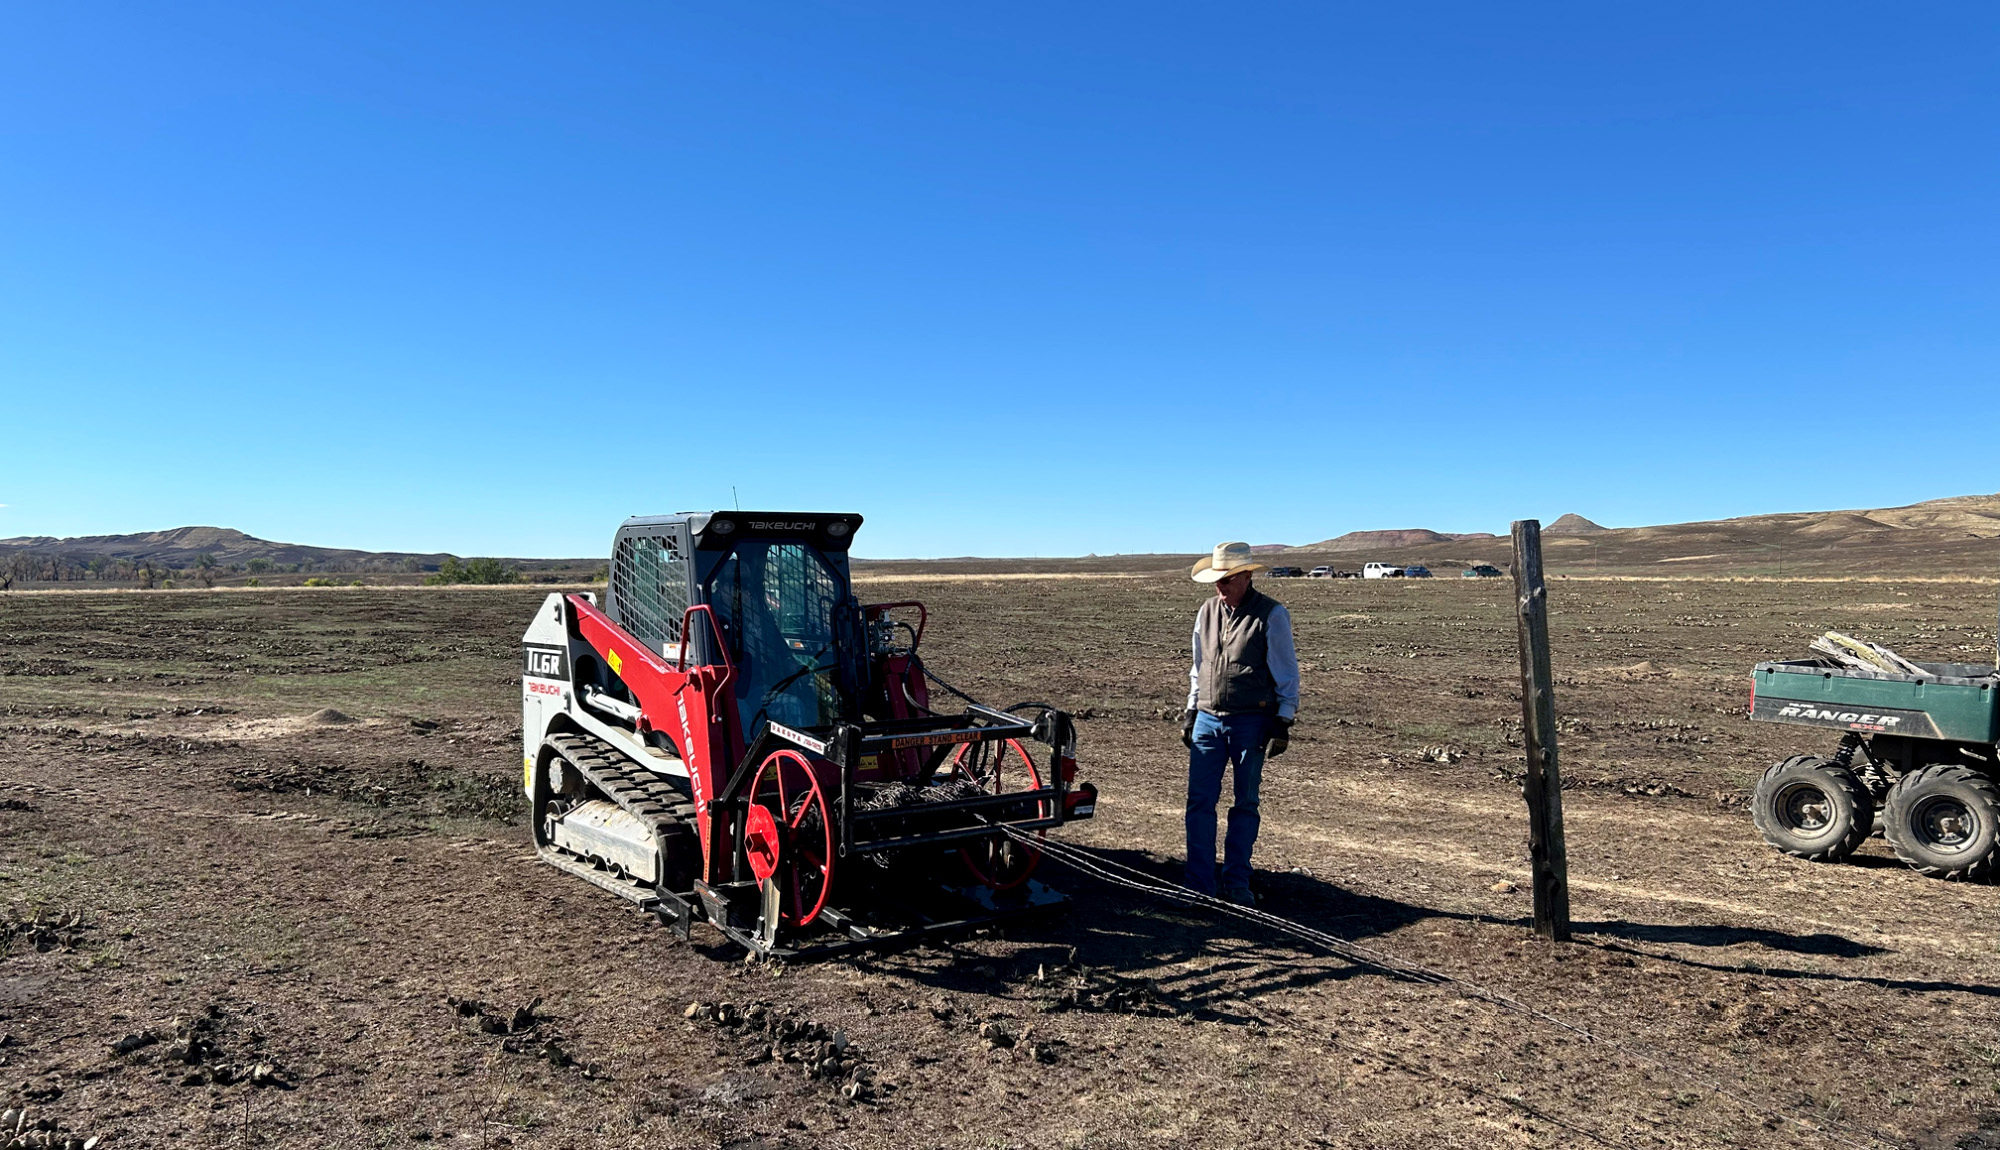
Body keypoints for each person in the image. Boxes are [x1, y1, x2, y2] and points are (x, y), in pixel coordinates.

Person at [1181, 541, 1299, 905]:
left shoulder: (1271, 614)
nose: (1221, 586)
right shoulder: (1206, 611)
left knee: (1245, 803)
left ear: (1246, 576)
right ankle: (1199, 884)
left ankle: (1237, 882)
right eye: (1218, 580)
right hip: (1207, 718)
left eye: (1228, 579)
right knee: (1199, 803)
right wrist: (1190, 709)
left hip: (1251, 721)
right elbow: (1199, 665)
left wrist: (1284, 718)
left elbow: (1285, 668)